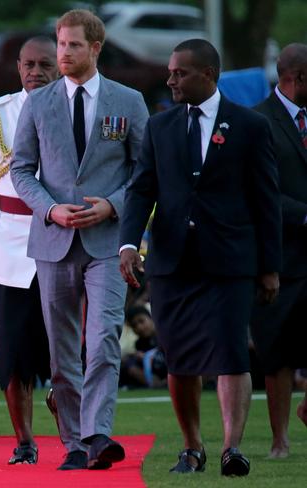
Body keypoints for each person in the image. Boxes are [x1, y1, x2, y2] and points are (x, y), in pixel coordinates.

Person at [119, 39, 281, 476]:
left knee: (231, 352)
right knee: (179, 357)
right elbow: (141, 190)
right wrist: (129, 244)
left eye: (180, 72)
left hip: (230, 260)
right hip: (172, 262)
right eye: (170, 72)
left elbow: (266, 200)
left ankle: (232, 449)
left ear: (208, 74)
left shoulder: (249, 126)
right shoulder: (160, 127)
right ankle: (192, 448)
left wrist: (270, 266)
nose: (170, 78)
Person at [11, 10, 149, 470]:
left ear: (96, 48)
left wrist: (112, 204)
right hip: (52, 241)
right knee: (62, 351)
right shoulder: (38, 102)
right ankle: (73, 442)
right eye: (60, 44)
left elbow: (144, 173)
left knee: (105, 337)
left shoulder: (128, 101)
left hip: (108, 241)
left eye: (72, 45)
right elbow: (21, 170)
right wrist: (50, 208)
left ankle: (97, 435)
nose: (62, 53)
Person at [0, 36, 57, 465]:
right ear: (18, 67)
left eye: (44, 64)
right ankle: (24, 440)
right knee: (13, 351)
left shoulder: (75, 107)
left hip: (64, 241)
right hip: (11, 246)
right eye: (28, 64)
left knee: (67, 347)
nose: (35, 72)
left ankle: (75, 435)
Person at [249, 42, 307, 459]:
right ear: (297, 77)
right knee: (278, 352)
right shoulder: (257, 122)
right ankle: (279, 441)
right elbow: (259, 193)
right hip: (279, 254)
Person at [120, 305, 167, 388]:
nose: (139, 327)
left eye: (141, 321)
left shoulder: (165, 335)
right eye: (134, 325)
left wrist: (149, 357)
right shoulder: (139, 343)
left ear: (151, 318)